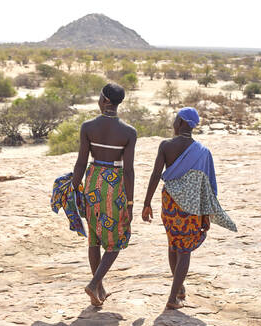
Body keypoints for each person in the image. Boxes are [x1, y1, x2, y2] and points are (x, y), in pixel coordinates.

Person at [141, 107, 235, 310]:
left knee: (173, 244)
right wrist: (207, 214)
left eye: (176, 119)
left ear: (182, 122)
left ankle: (179, 288)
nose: (173, 123)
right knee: (184, 251)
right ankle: (174, 296)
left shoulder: (166, 146)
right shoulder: (202, 152)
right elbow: (208, 186)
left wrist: (146, 203)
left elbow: (156, 175)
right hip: (191, 206)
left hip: (170, 203)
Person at [71, 83, 137, 307]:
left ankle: (98, 287)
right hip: (114, 185)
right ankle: (94, 285)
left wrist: (73, 188)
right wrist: (129, 202)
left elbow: (80, 162)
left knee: (94, 237)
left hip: (92, 180)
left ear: (106, 100)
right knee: (116, 239)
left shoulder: (88, 126)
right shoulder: (129, 132)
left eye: (100, 96)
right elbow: (128, 170)